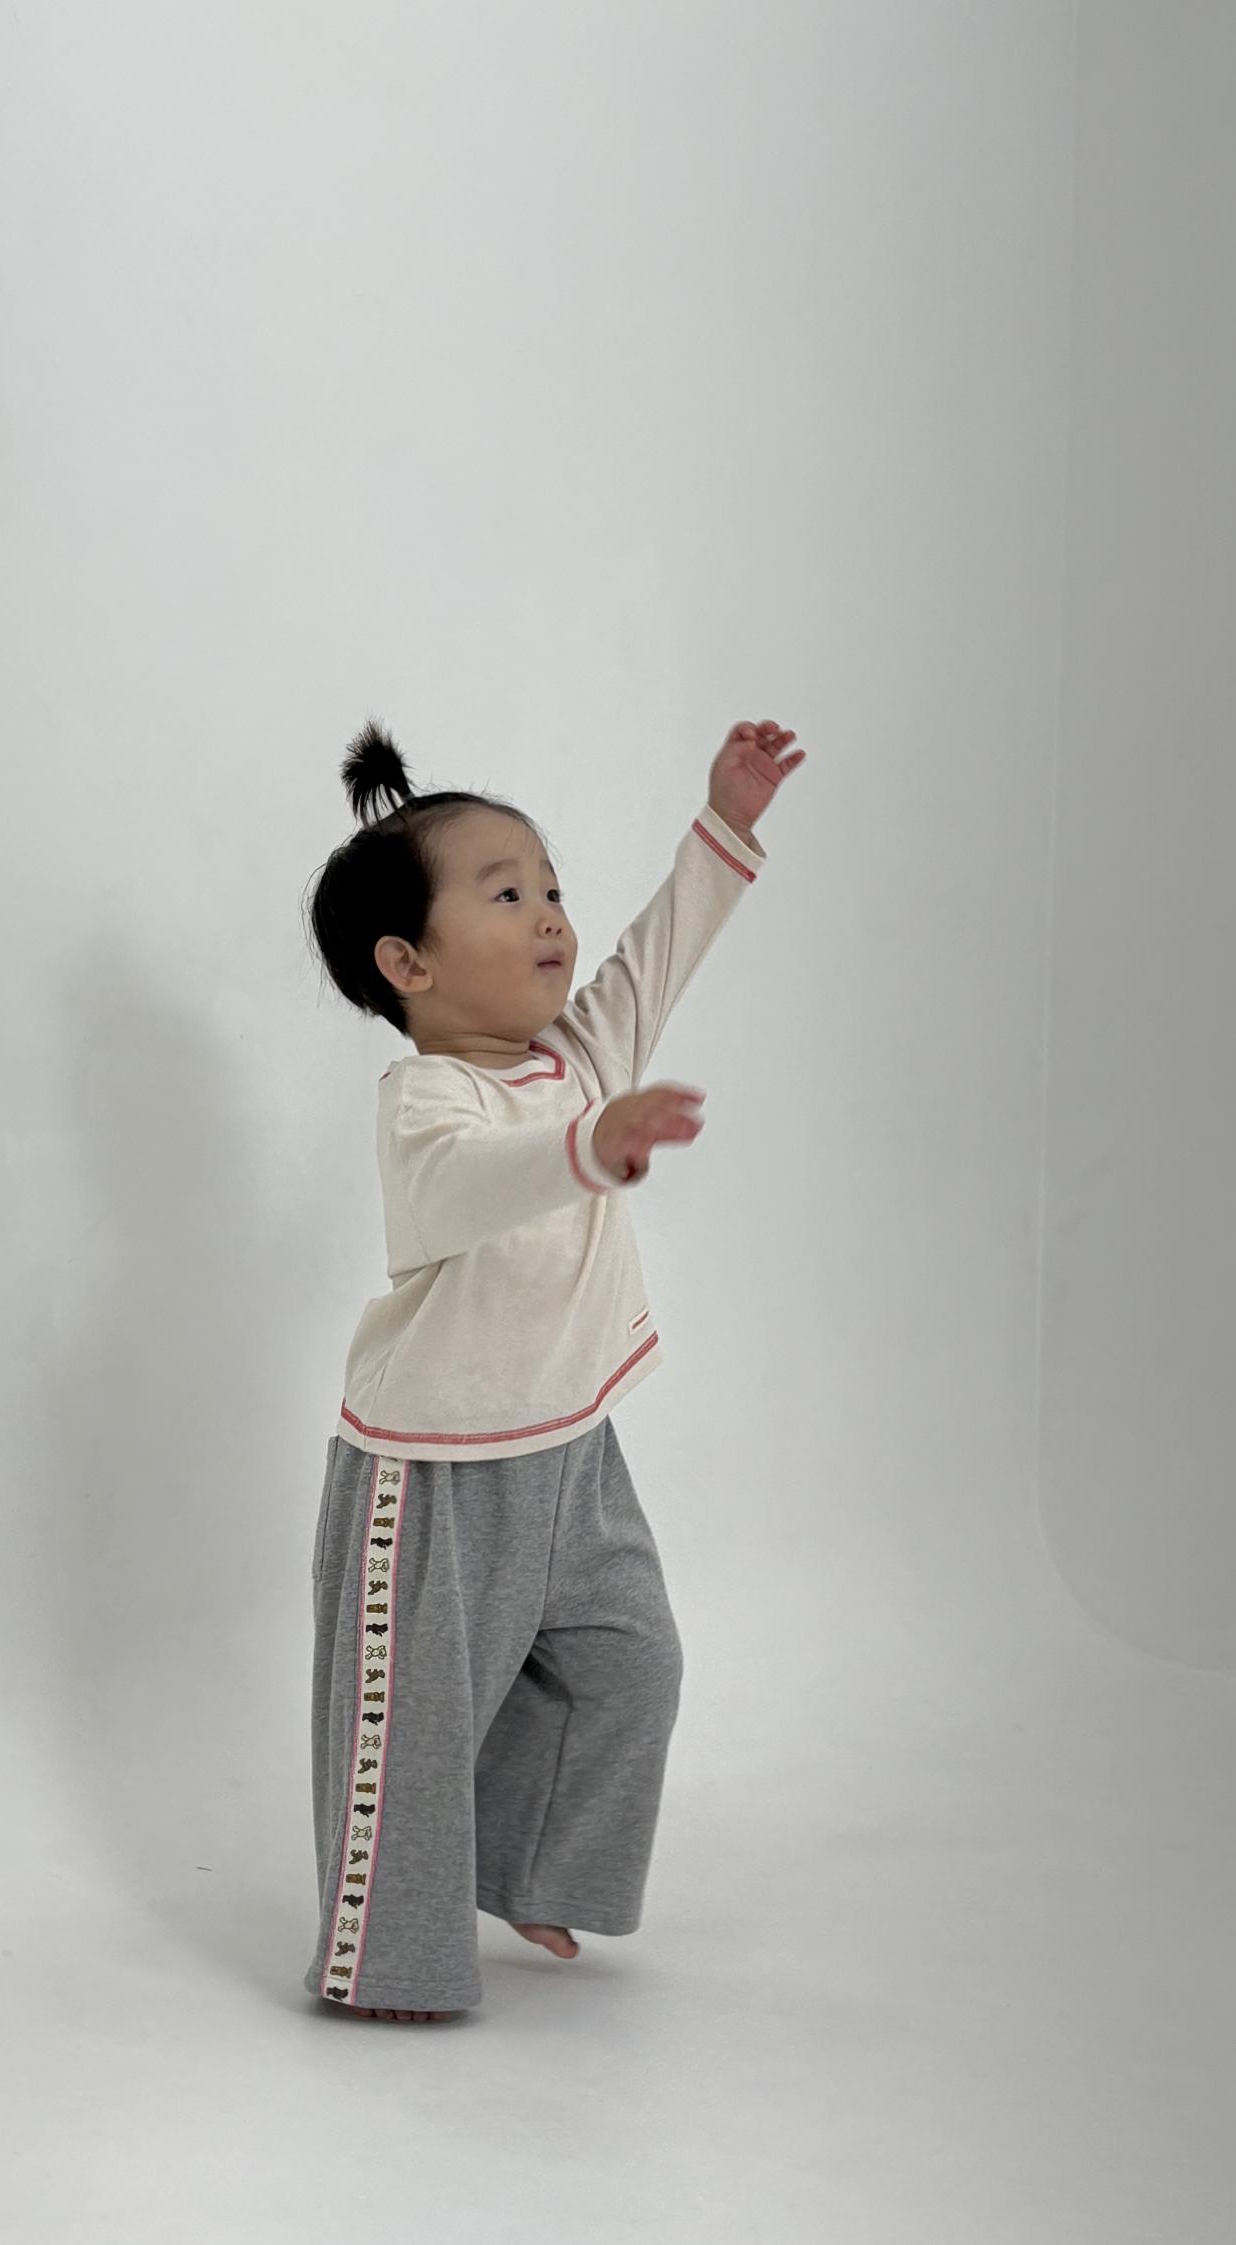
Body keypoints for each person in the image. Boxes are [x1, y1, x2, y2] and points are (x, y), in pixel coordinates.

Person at [299, 715, 805, 2022]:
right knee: (414, 1726)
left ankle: (529, 1865)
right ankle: (387, 1962)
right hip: (435, 1475)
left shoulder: (580, 1057)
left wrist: (728, 821)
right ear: (407, 962)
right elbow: (472, 1187)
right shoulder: (427, 1103)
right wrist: (590, 1147)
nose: (551, 918)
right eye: (506, 894)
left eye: (551, 889)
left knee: (633, 1664)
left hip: (575, 1450)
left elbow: (656, 954)